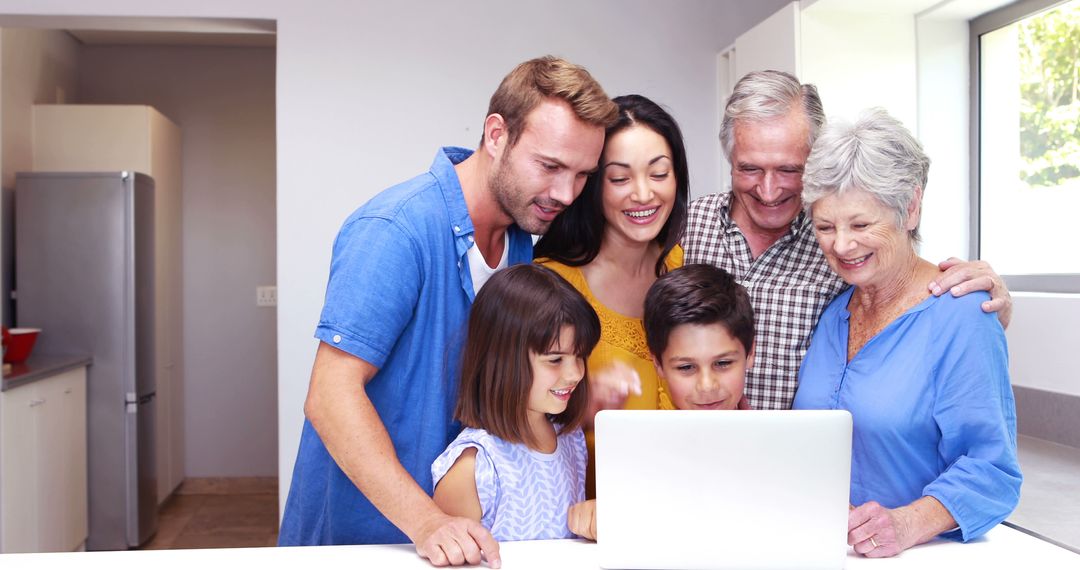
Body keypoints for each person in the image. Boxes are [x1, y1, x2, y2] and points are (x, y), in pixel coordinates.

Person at [278, 56, 618, 568]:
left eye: (582, 175)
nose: (566, 194)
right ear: (497, 134)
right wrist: (429, 522)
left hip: (458, 547)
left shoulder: (521, 244)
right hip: (369, 542)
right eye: (549, 166)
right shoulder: (395, 230)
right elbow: (330, 396)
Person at [683, 70, 1014, 411]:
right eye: (750, 169)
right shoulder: (685, 227)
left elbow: (907, 281)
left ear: (816, 159)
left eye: (789, 170)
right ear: (730, 161)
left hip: (796, 458)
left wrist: (988, 304)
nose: (768, 191)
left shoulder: (840, 245)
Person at [792, 109, 1022, 558]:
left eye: (861, 225)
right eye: (824, 227)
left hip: (916, 555)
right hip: (823, 553)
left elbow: (993, 470)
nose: (841, 245)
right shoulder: (833, 312)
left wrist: (907, 523)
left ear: (911, 208)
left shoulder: (962, 313)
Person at [534, 94, 689, 496]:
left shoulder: (679, 266)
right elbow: (509, 419)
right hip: (584, 525)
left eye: (659, 174)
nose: (643, 195)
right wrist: (579, 406)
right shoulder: (553, 283)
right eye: (620, 179)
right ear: (592, 186)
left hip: (679, 509)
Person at [566, 263, 757, 540]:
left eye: (723, 363)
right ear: (658, 365)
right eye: (686, 368)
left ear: (750, 353)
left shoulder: (779, 454)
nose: (706, 386)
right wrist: (597, 515)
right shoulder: (635, 450)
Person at [431, 264, 599, 541]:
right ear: (503, 360)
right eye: (555, 360)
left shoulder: (572, 440)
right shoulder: (474, 468)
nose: (575, 373)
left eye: (580, 356)